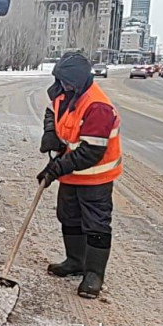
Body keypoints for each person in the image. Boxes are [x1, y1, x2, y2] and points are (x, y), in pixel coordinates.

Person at [36, 52, 122, 299]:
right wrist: (50, 132)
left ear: (80, 80)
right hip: (72, 175)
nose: (63, 86)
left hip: (96, 177)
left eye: (67, 82)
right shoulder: (65, 94)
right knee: (68, 217)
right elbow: (52, 112)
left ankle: (94, 275)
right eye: (61, 81)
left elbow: (90, 153)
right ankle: (75, 261)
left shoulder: (98, 107)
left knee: (95, 224)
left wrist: (56, 168)